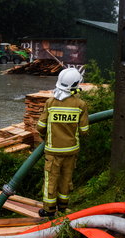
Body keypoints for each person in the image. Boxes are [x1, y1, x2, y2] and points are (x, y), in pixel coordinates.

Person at [36, 68, 89, 217]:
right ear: (76, 84)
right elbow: (84, 130)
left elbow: (40, 127)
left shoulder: (50, 102)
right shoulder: (81, 105)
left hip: (53, 151)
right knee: (66, 179)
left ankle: (48, 210)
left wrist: (46, 136)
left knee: (51, 180)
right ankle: (63, 208)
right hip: (71, 150)